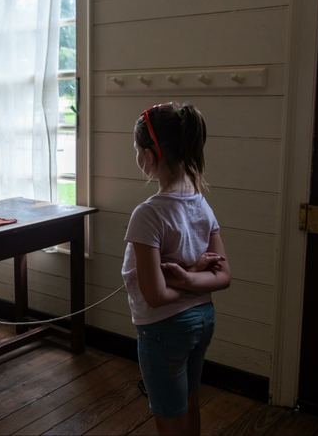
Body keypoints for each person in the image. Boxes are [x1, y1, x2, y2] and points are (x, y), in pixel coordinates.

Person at [121, 102, 231, 435]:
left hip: (163, 329)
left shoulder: (147, 214)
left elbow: (155, 296)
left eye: (137, 150)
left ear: (150, 156)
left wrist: (182, 280)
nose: (137, 157)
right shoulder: (201, 202)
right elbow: (223, 277)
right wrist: (194, 273)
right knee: (189, 400)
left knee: (170, 414)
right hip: (202, 320)